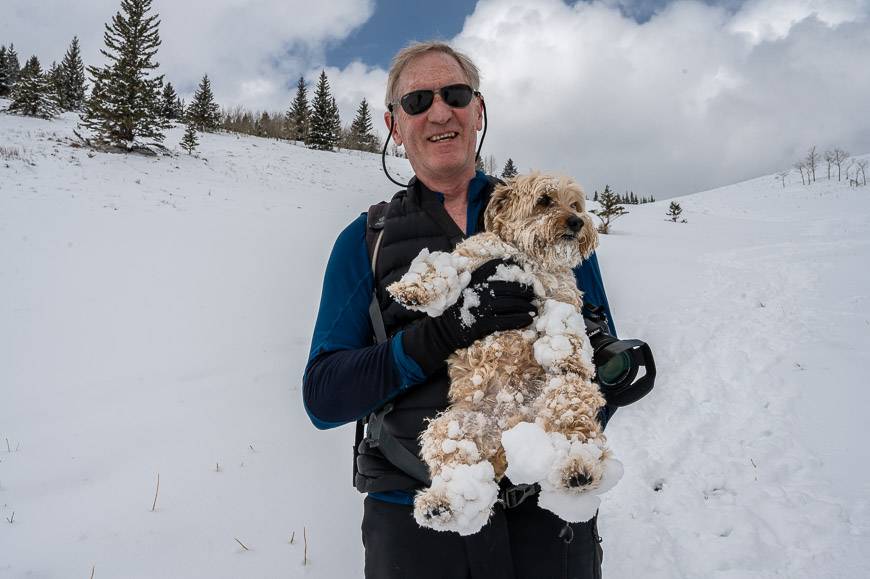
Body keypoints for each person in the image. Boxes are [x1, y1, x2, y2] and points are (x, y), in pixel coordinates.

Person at [303, 41, 617, 579]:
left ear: (478, 110)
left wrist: (617, 376)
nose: (439, 111)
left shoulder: (546, 227)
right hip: (416, 521)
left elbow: (596, 352)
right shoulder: (366, 241)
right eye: (417, 100)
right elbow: (324, 397)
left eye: (455, 94)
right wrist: (439, 336)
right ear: (394, 125)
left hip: (545, 516)